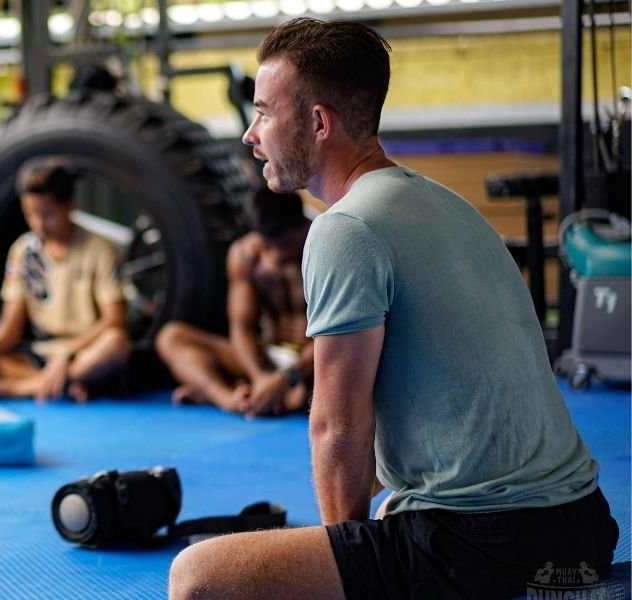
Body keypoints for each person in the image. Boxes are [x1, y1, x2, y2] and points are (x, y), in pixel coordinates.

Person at [169, 18, 616, 600]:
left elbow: (338, 427)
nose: (252, 135)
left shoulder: (345, 227)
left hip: (486, 542)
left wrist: (348, 559)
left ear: (318, 122)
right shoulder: (447, 205)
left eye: (263, 113)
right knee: (376, 523)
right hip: (582, 529)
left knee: (197, 576)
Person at [0, 157, 131, 403]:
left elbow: (114, 320)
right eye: (30, 215)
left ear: (70, 206)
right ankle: (57, 385)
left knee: (116, 343)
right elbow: (10, 325)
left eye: (48, 215)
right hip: (39, 356)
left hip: (82, 352)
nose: (39, 224)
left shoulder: (99, 250)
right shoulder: (23, 250)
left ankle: (17, 389)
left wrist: (67, 354)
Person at [155, 189, 312, 418]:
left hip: (312, 366)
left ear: (303, 226)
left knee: (329, 386)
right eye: (269, 245)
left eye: (286, 244)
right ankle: (232, 400)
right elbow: (242, 327)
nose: (276, 255)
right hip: (267, 357)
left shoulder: (327, 249)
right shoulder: (246, 255)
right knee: (171, 337)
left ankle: (254, 393)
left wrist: (288, 378)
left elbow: (340, 334)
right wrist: (259, 376)